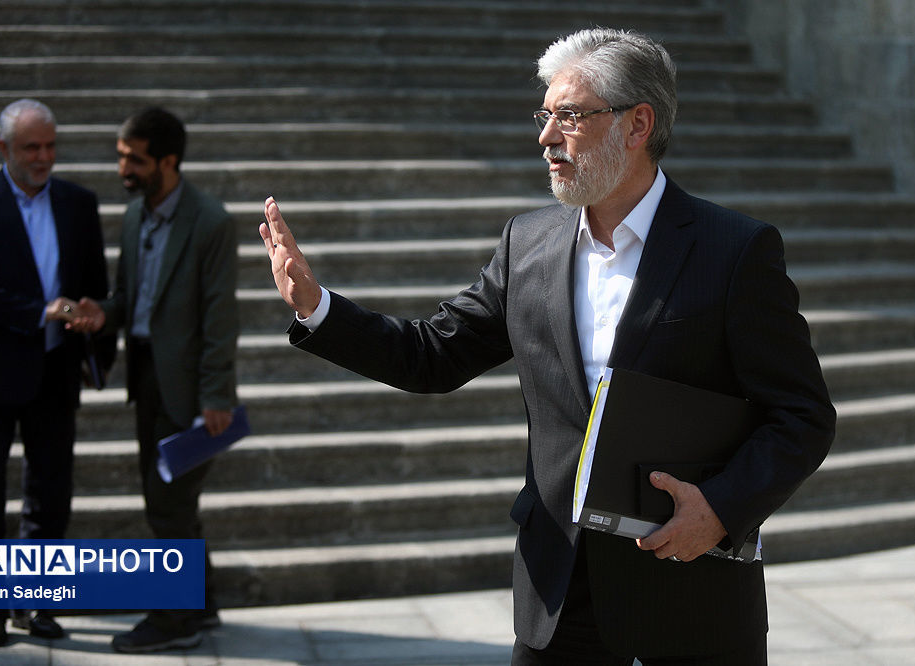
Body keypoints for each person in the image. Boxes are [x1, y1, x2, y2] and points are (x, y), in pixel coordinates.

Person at [259, 28, 836, 664]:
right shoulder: (527, 243)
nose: (546, 137)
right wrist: (316, 307)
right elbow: (431, 356)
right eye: (545, 116)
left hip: (689, 589)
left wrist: (721, 510)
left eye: (569, 116)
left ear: (637, 124)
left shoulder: (734, 250)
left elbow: (802, 416)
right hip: (557, 593)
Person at [68, 107, 238, 653]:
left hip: (189, 388)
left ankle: (174, 620)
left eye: (134, 160)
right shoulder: (134, 215)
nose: (124, 168)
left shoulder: (210, 221)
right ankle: (201, 603)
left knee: (167, 502)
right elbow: (129, 296)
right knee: (174, 500)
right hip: (145, 378)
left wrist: (216, 395)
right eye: (121, 157)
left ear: (168, 161)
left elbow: (220, 318)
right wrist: (103, 313)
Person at [0, 98, 112, 647]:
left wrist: (90, 318)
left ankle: (36, 601)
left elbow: (95, 285)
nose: (43, 157)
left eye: (50, 146)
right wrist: (39, 311)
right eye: (31, 147)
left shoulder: (79, 203)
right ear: (4, 148)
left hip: (55, 368)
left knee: (50, 490)